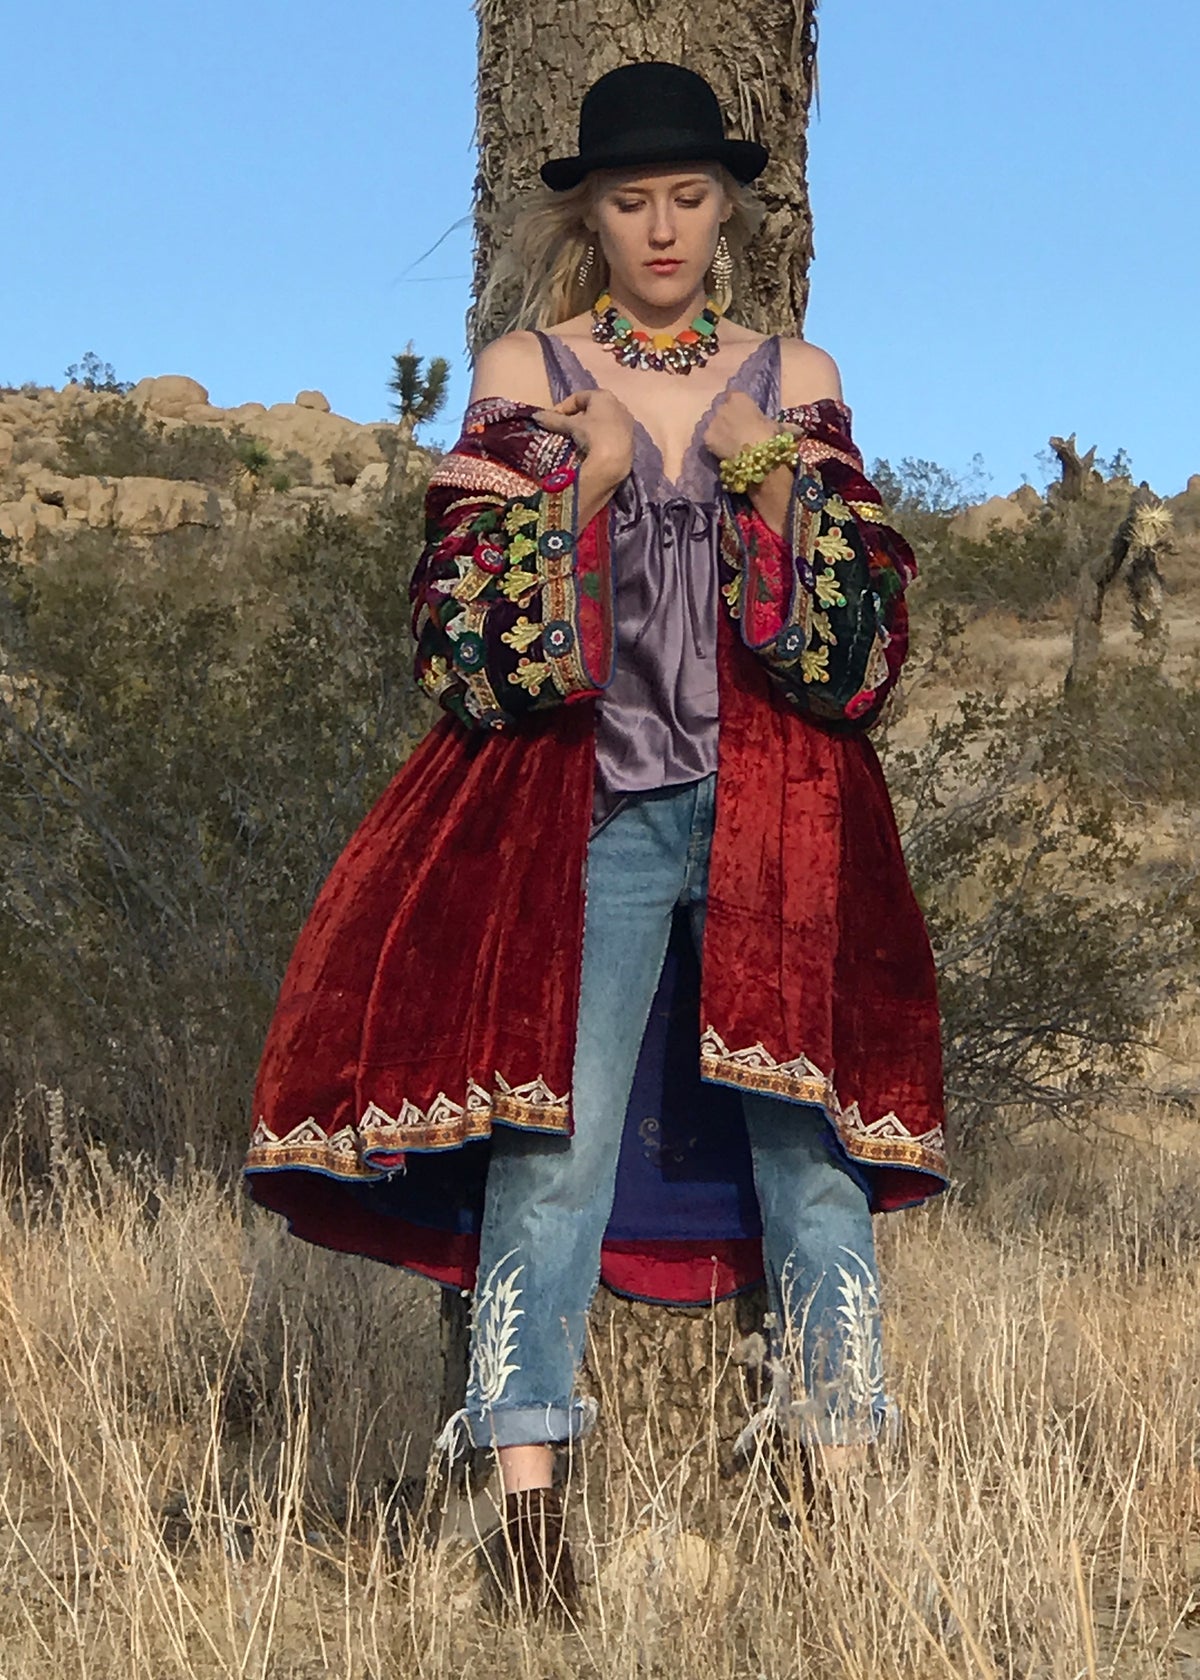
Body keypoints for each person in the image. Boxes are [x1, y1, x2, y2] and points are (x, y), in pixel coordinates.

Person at [244, 60, 947, 1617]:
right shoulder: (530, 370)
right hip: (593, 812)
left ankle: (846, 1510)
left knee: (814, 1164)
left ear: (732, 209)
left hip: (780, 816)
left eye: (691, 197)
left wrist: (768, 487)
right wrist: (591, 486)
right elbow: (460, 640)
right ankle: (529, 1524)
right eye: (633, 201)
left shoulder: (797, 376)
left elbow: (859, 655)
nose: (665, 227)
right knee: (551, 1155)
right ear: (591, 217)